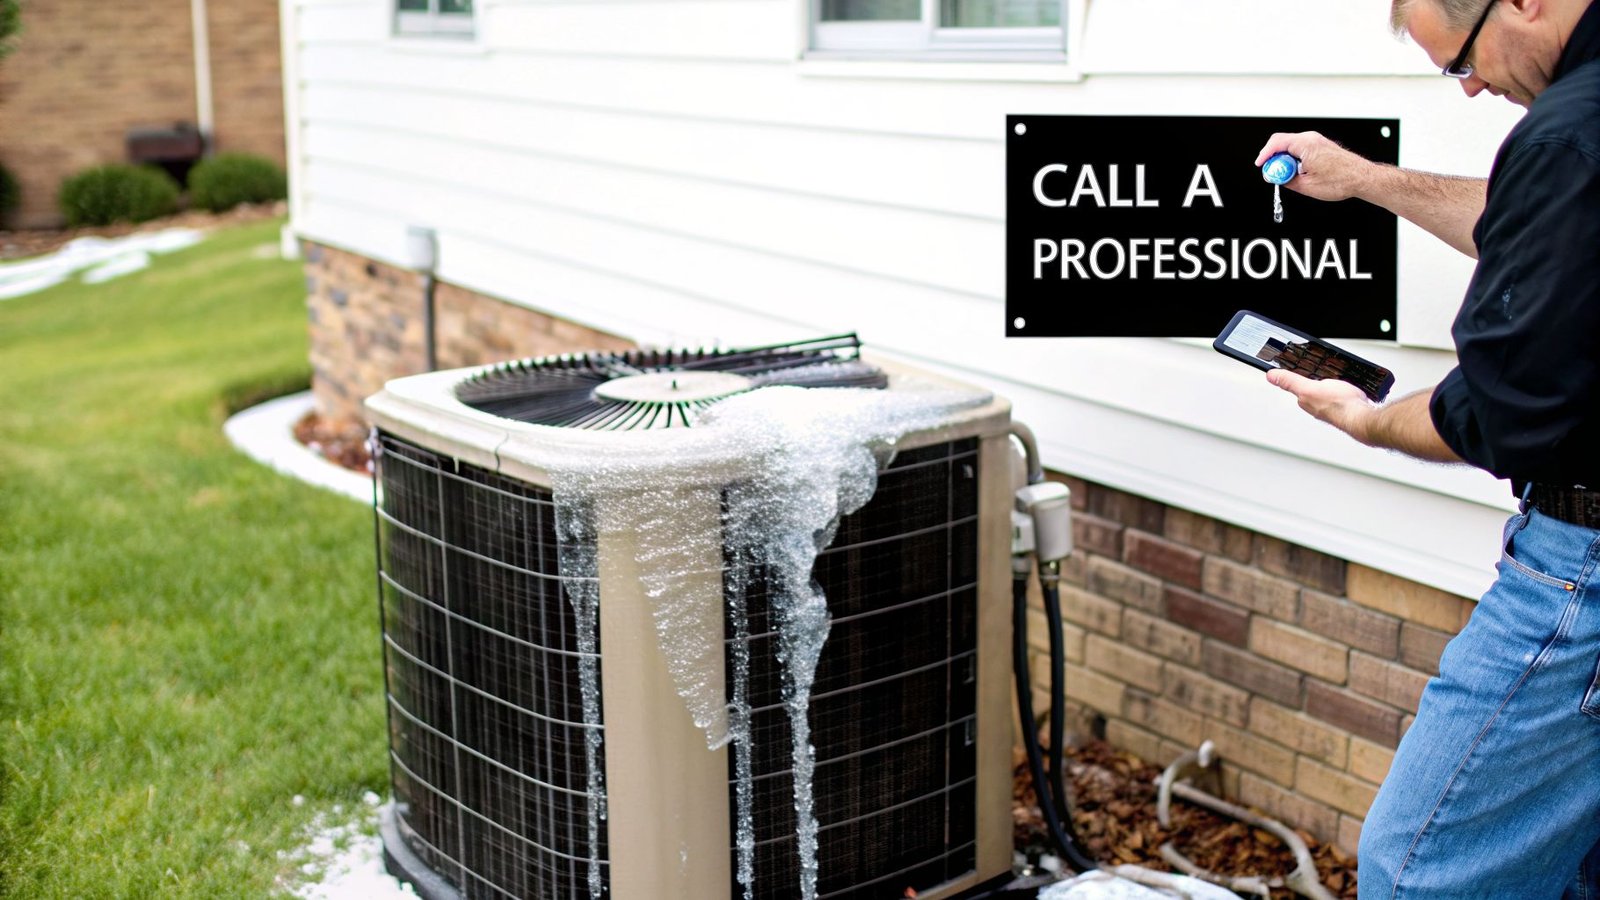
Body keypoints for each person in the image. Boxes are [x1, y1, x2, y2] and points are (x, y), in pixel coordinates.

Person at [1254, 0, 1600, 896]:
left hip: (1585, 567)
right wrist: (1365, 178)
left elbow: (1495, 410)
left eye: (1463, 61)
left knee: (1419, 870)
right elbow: (1541, 217)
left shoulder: (1567, 132)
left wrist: (1368, 417)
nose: (1474, 84)